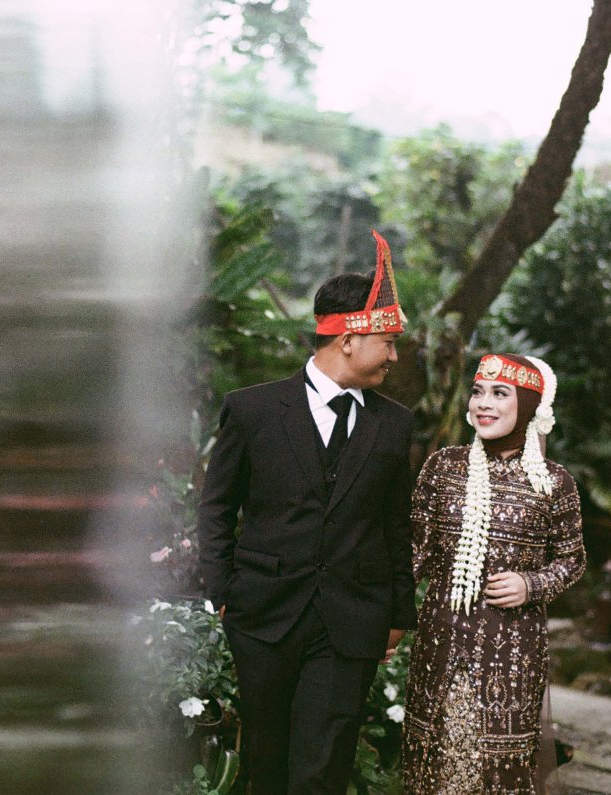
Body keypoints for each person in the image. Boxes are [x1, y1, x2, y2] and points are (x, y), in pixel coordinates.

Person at [197, 231, 417, 795]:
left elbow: (396, 523)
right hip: (263, 615)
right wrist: (223, 591)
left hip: (352, 619)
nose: (394, 356)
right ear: (349, 339)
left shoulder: (394, 424)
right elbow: (217, 507)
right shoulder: (252, 410)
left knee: (323, 765)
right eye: (388, 342)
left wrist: (398, 611)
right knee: (266, 759)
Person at [401, 353, 586, 794]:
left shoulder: (553, 482)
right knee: (433, 759)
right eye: (478, 392)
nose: (483, 403)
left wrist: (530, 584)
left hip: (513, 650)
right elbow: (412, 556)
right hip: (440, 642)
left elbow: (572, 560)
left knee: (498, 769)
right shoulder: (442, 467)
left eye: (500, 393)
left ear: (529, 405)